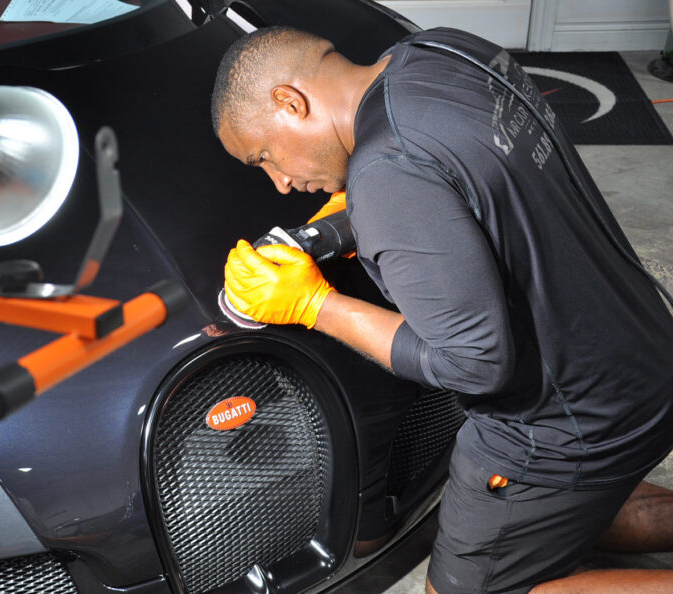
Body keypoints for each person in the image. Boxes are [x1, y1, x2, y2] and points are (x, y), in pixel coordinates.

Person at [213, 25, 673, 593]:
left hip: (560, 420)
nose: (280, 182)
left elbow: (474, 364)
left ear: (290, 101)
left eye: (264, 156)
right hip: (640, 350)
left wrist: (314, 304)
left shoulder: (387, 172)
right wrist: (360, 213)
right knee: (575, 508)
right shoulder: (438, 52)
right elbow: (463, 180)